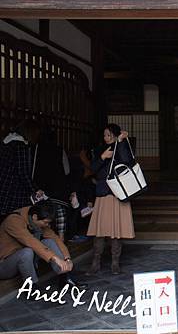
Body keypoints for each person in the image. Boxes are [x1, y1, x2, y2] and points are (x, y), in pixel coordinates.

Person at [86, 124, 135, 275]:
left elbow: (127, 161)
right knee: (100, 231)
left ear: (115, 135)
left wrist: (120, 142)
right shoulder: (100, 149)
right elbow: (93, 169)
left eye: (109, 135)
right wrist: (102, 157)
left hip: (118, 193)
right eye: (105, 135)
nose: (106, 138)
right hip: (103, 193)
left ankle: (115, 262)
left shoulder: (122, 146)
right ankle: (96, 261)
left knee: (116, 231)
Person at [0, 202, 86, 289]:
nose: (47, 225)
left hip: (26, 261)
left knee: (49, 241)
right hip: (5, 265)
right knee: (26, 252)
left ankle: (65, 279)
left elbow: (55, 238)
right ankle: (30, 288)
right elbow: (30, 241)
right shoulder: (13, 220)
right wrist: (55, 258)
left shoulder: (35, 217)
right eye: (46, 223)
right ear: (35, 217)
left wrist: (67, 259)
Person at [0, 120, 43, 220]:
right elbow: (22, 172)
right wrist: (35, 189)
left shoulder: (7, 142)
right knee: (16, 219)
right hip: (14, 191)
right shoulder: (21, 146)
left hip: (4, 187)